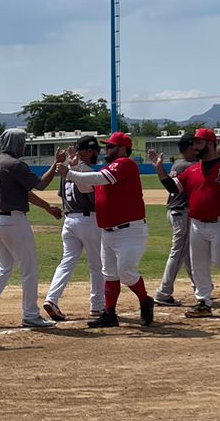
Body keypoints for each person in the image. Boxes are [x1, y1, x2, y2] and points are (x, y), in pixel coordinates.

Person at [0, 127, 64, 330]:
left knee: (3, 267)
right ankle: (31, 315)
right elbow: (40, 185)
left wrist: (47, 207)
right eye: (22, 142)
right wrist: (57, 163)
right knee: (29, 268)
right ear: (14, 143)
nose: (24, 145)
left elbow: (25, 192)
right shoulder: (15, 165)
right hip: (13, 222)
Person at [63, 131, 153, 327]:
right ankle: (109, 313)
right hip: (109, 230)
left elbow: (97, 179)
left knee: (126, 272)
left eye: (110, 146)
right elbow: (87, 186)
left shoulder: (125, 164)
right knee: (110, 274)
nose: (106, 149)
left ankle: (145, 300)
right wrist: (75, 167)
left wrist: (69, 173)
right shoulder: (108, 169)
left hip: (130, 231)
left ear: (122, 149)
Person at [171, 129, 220, 317]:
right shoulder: (193, 169)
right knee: (199, 264)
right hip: (197, 222)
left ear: (211, 144)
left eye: (198, 143)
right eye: (193, 143)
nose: (194, 146)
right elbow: (173, 187)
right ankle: (203, 301)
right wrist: (159, 169)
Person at [44, 135, 103, 324]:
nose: (96, 155)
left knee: (66, 262)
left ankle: (52, 299)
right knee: (97, 265)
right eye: (95, 151)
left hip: (69, 221)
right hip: (88, 220)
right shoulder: (85, 171)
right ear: (88, 151)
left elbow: (62, 195)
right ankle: (97, 305)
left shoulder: (66, 171)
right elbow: (96, 200)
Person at [148, 135, 198, 307]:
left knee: (187, 253)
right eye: (194, 147)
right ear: (186, 149)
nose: (198, 150)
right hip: (181, 213)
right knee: (178, 252)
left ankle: (199, 286)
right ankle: (163, 293)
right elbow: (208, 168)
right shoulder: (189, 165)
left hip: (175, 212)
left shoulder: (178, 163)